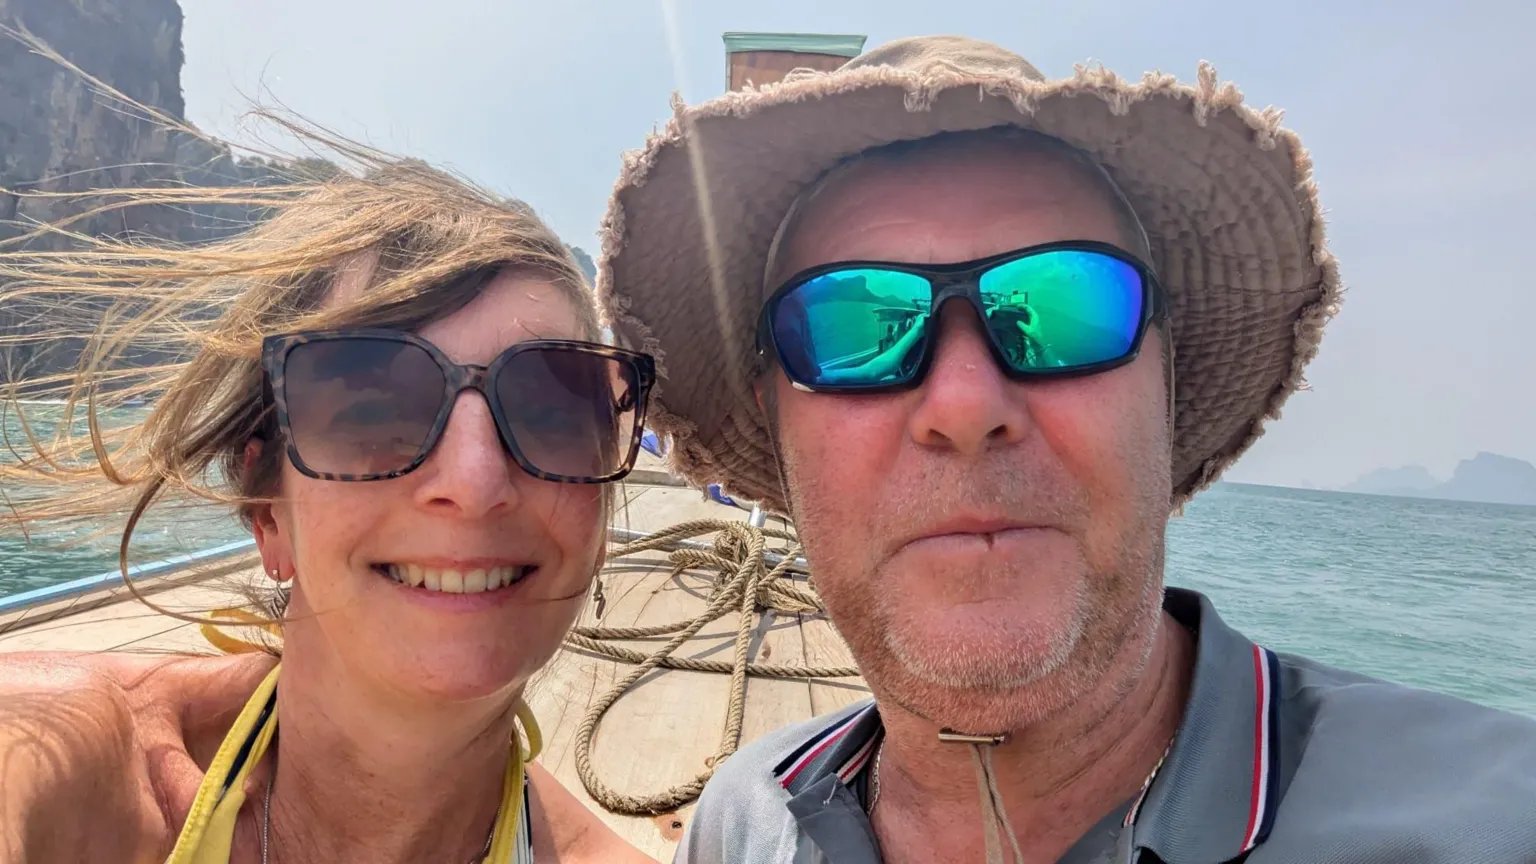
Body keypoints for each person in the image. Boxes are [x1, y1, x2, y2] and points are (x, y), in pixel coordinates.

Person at [596, 35, 1536, 863]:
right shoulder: (745, 822)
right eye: (851, 327)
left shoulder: (1492, 821)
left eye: (1064, 308)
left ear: (1164, 389)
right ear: (777, 420)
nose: (965, 404)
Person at [0, 147, 658, 863]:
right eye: (373, 408)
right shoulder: (56, 761)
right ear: (267, 510)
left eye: (552, 409)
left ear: (598, 523)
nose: (474, 483)